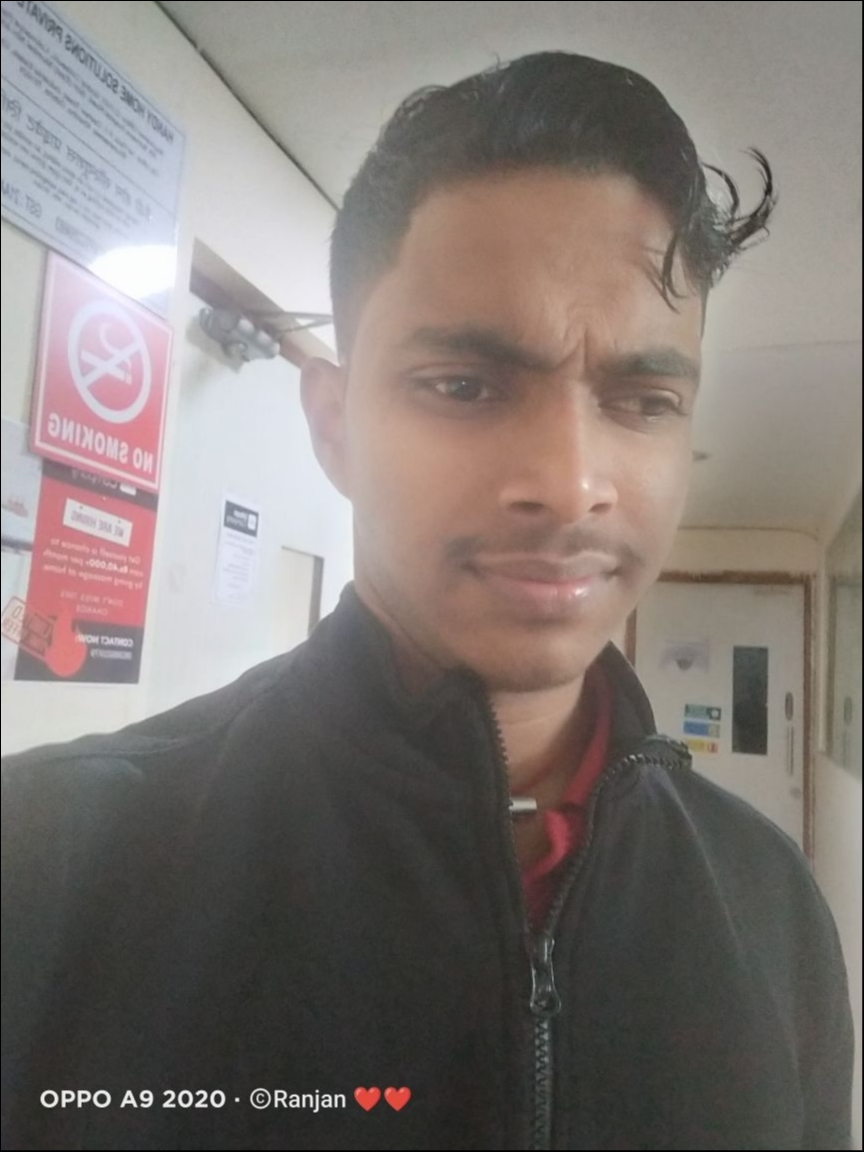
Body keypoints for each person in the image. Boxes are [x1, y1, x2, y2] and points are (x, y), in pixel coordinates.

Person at [1, 50, 854, 1152]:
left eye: (642, 399)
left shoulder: (772, 906)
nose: (571, 484)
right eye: (464, 385)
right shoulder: (48, 868)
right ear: (334, 425)